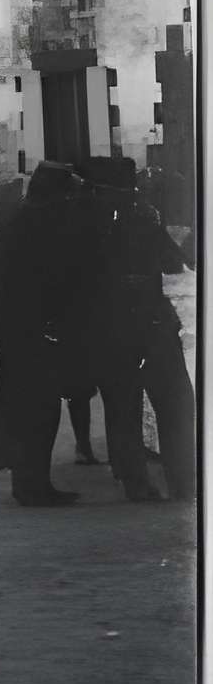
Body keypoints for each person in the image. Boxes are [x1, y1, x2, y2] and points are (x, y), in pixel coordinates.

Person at [76, 155, 194, 502]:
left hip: (110, 326)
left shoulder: (84, 222)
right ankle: (182, 480)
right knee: (175, 403)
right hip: (152, 323)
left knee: (121, 407)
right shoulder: (142, 216)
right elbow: (174, 264)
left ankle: (135, 482)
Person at [0, 162, 86, 506]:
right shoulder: (38, 222)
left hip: (11, 324)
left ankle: (26, 478)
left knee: (23, 402)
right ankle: (32, 485)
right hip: (29, 327)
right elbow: (46, 280)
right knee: (38, 408)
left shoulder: (21, 215)